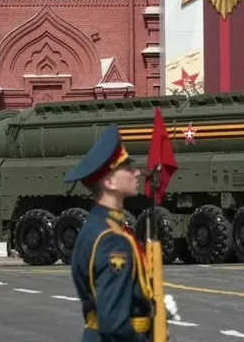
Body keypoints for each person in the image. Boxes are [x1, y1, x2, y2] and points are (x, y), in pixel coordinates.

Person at [64, 122, 180, 341]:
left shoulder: (97, 227)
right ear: (109, 182)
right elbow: (114, 324)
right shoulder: (112, 240)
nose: (137, 172)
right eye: (127, 168)